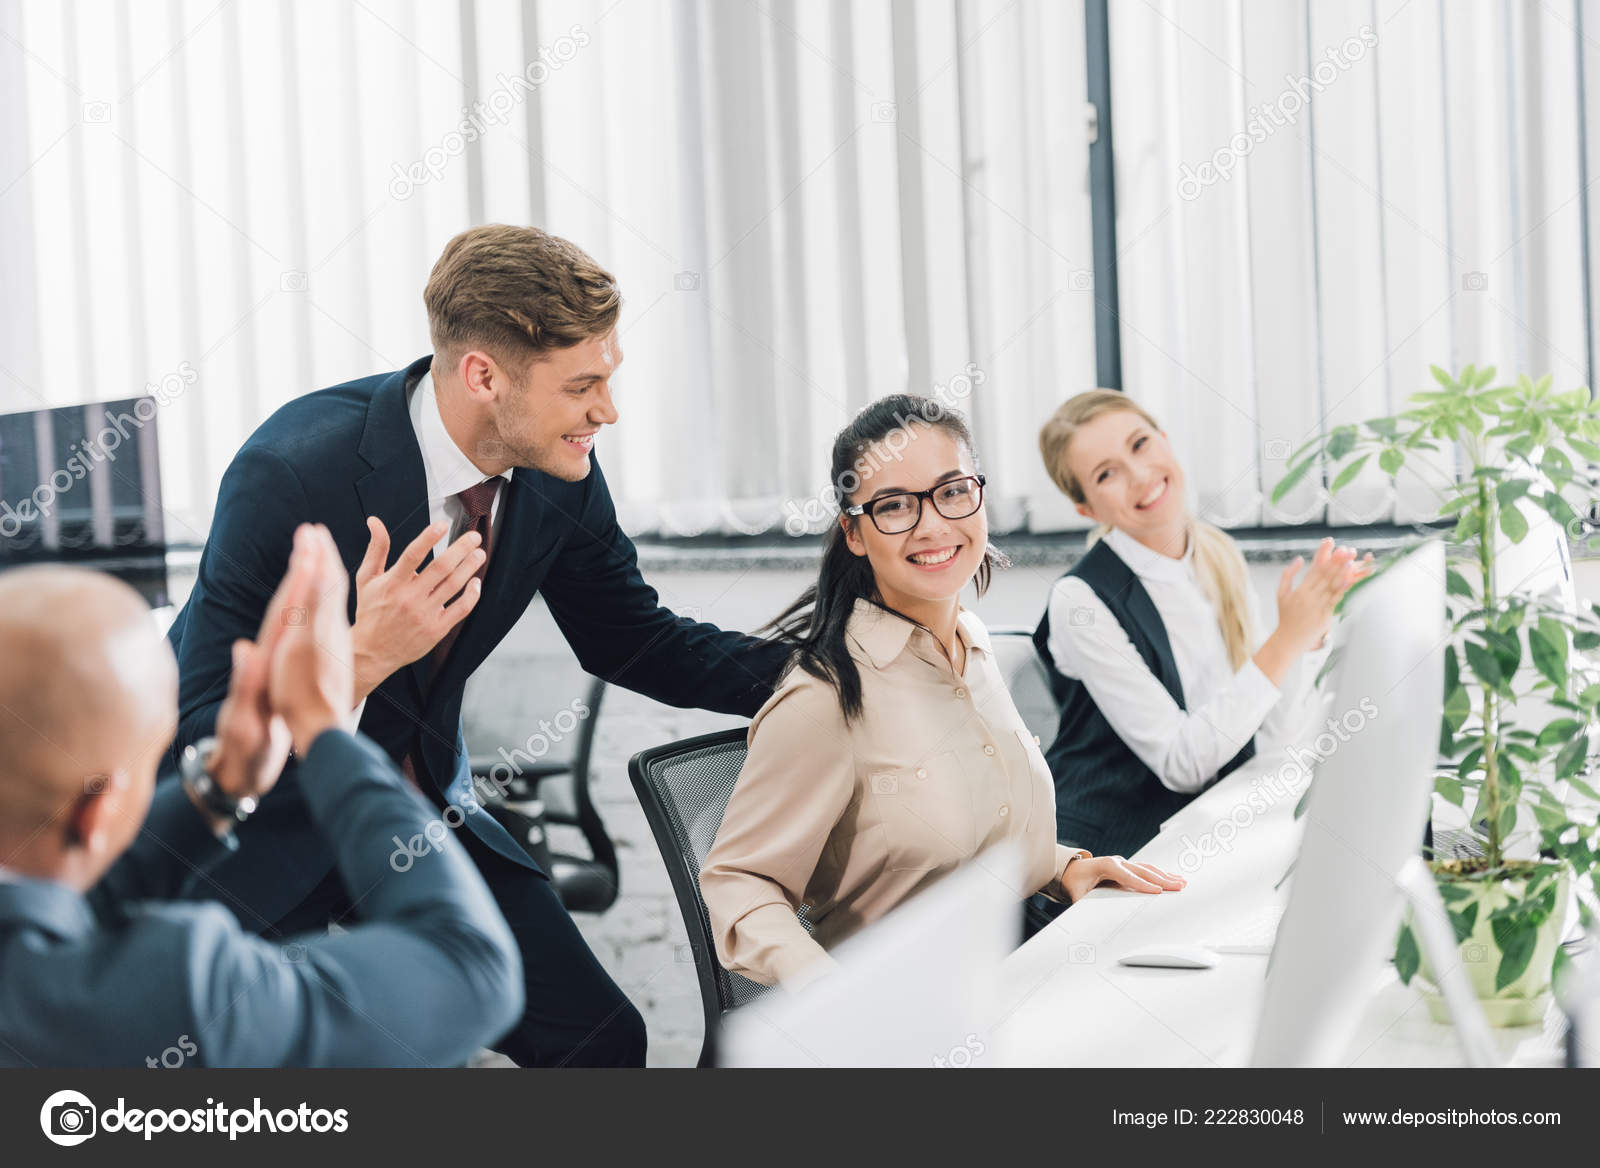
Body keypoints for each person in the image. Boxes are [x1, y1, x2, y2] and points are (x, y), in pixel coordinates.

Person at [165, 224, 792, 1066]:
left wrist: (832, 676)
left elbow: (633, 640)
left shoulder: (556, 466)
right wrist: (362, 657)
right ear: (484, 376)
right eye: (583, 386)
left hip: (416, 815)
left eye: (606, 379)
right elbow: (202, 725)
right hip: (265, 829)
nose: (607, 411)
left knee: (600, 1043)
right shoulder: (291, 473)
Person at [699, 395, 1185, 990]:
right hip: (906, 1018)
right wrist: (835, 1001)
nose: (933, 525)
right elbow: (738, 882)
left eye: (953, 492)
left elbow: (973, 836)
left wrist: (1066, 868)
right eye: (895, 506)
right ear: (854, 532)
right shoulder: (825, 697)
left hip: (1018, 971)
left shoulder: (973, 646)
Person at [0, 524, 524, 1067]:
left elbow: (56, 895)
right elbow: (471, 967)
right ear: (100, 811)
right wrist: (323, 727)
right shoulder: (174, 994)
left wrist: (221, 786)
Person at [1032, 390, 1372, 863]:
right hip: (1109, 853)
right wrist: (1285, 639)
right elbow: (1182, 764)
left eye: (1140, 444)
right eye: (1106, 474)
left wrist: (1309, 631)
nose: (1139, 475)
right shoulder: (1081, 600)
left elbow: (1273, 735)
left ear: (1166, 441)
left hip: (1202, 827)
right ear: (1087, 508)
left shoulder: (1216, 555)